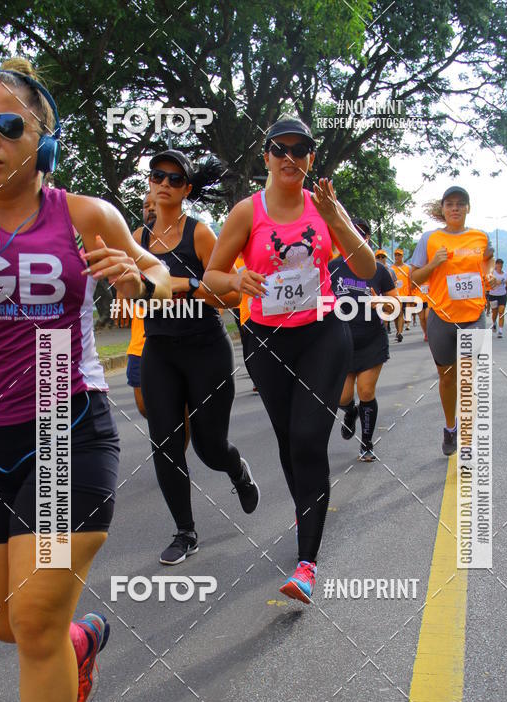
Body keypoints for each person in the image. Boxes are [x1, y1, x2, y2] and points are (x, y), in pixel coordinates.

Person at [0, 59, 171, 702]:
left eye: (6, 124)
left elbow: (157, 277)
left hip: (64, 424)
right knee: (4, 626)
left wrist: (142, 279)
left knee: (36, 622)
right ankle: (84, 641)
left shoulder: (84, 214)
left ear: (44, 137)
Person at [203, 116, 376, 602]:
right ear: (266, 157)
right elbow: (211, 278)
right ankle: (308, 515)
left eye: (300, 150)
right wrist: (236, 281)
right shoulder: (246, 212)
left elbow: (368, 268)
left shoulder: (325, 209)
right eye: (279, 149)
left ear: (311, 159)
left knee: (306, 438)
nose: (289, 158)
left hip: (322, 333)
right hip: (265, 338)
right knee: (287, 440)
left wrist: (336, 215)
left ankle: (306, 564)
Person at [139, 149, 259, 565]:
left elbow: (229, 293)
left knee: (209, 446)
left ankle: (237, 470)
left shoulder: (201, 233)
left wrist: (183, 285)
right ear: (150, 183)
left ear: (187, 189)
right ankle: (185, 532)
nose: (166, 184)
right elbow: (127, 293)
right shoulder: (135, 238)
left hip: (205, 348)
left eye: (175, 179)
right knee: (165, 444)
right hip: (160, 351)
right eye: (159, 176)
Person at [410, 186, 494, 456]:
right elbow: (413, 279)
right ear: (442, 209)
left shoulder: (480, 237)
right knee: (447, 378)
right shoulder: (429, 239)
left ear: (468, 208)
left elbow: (488, 260)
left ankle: (468, 435)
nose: (455, 208)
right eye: (450, 204)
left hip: (474, 316)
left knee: (468, 377)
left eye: (460, 204)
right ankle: (450, 427)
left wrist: (488, 274)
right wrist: (434, 263)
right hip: (441, 319)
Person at [332, 220, 397, 461]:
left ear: (367, 239)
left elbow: (394, 305)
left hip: (371, 339)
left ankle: (367, 443)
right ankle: (350, 413)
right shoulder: (331, 268)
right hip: (341, 342)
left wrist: (380, 301)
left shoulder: (379, 271)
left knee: (366, 390)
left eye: (360, 234)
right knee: (342, 397)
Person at [126, 192, 156, 417]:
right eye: (146, 205)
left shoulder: (192, 236)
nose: (151, 209)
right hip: (139, 343)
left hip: (175, 340)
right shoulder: (135, 241)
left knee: (169, 412)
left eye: (155, 204)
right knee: (146, 408)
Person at [376, 248, 402, 340]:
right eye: (378, 256)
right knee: (385, 317)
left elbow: (395, 283)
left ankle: (399, 333)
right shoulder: (373, 270)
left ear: (386, 258)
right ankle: (385, 334)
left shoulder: (391, 271)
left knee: (398, 314)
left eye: (382, 256)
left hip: (390, 296)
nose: (380, 258)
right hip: (379, 297)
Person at [390, 247, 413, 334]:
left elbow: (410, 280)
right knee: (399, 313)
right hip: (396, 293)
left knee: (407, 309)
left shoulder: (408, 268)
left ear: (402, 256)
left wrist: (412, 292)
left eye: (399, 255)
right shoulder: (391, 268)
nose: (397, 257)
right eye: (396, 255)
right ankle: (399, 330)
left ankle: (407, 324)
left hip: (406, 292)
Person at [488, 258, 507, 337]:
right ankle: (494, 323)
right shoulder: (492, 273)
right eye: (498, 264)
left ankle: (500, 331)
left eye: (501, 264)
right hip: (493, 295)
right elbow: (489, 281)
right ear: (496, 265)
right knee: (494, 312)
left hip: (502, 295)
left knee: (501, 312)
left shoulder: (505, 274)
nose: (500, 265)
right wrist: (495, 282)